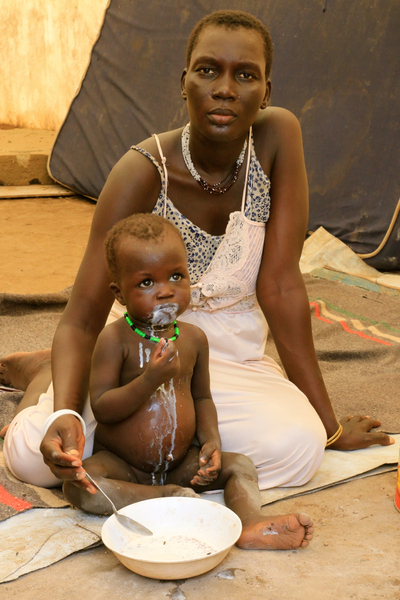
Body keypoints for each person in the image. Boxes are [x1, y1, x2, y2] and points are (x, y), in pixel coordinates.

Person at [1, 10, 392, 492]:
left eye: (245, 75)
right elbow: (82, 319)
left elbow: (282, 286)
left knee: (300, 447)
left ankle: (154, 459)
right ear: (183, 81)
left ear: (266, 92)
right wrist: (65, 410)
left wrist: (329, 427)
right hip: (136, 355)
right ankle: (48, 380)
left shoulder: (277, 139)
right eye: (208, 70)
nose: (225, 88)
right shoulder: (141, 171)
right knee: (36, 461)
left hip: (231, 360)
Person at [64, 213, 314, 550]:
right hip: (124, 468)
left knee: (239, 464)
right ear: (119, 293)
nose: (165, 291)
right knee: (79, 485)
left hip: (182, 465)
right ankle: (161, 497)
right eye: (146, 283)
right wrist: (150, 378)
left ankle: (251, 522)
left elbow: (202, 399)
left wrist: (210, 441)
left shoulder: (194, 339)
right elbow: (104, 407)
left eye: (176, 276)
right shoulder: (114, 340)